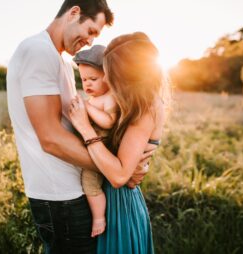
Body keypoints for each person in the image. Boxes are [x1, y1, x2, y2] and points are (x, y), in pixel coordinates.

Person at [7, 1, 152, 253]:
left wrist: (123, 163)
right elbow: (50, 138)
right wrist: (119, 170)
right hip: (60, 197)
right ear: (74, 13)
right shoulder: (37, 51)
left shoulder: (60, 61)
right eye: (91, 31)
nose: (90, 41)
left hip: (73, 191)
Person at [69, 32, 168, 254]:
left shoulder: (145, 107)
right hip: (114, 198)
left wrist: (85, 128)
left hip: (120, 204)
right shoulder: (131, 101)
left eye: (111, 74)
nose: (108, 80)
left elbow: (119, 176)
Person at [73, 45, 118, 237]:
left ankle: (99, 217)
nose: (87, 84)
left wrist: (87, 107)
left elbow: (108, 122)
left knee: (89, 184)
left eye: (93, 79)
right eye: (84, 80)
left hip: (101, 151)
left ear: (108, 77)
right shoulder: (94, 98)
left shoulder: (110, 98)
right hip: (89, 148)